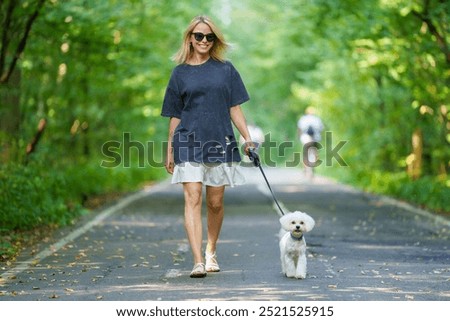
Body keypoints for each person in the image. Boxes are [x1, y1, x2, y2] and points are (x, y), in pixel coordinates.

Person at [161, 15, 253, 278]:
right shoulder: (179, 73)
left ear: (215, 40)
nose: (203, 40)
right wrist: (169, 149)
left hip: (219, 140)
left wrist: (247, 138)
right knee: (193, 197)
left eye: (209, 37)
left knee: (215, 202)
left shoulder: (226, 69)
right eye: (199, 35)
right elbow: (175, 115)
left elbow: (234, 107)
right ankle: (198, 260)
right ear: (190, 37)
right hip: (187, 141)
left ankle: (211, 250)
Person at [297, 106, 324, 178]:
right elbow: (321, 129)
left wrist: (299, 137)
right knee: (315, 151)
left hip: (305, 138)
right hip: (315, 138)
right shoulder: (317, 119)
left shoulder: (303, 119)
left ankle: (305, 169)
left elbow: (299, 129)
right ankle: (314, 165)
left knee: (305, 154)